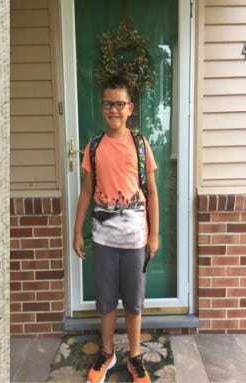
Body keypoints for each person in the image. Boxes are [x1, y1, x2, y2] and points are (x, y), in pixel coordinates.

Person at [72, 74, 159, 383]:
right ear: (101, 107)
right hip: (104, 239)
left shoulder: (139, 145)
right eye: (108, 103)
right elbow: (86, 192)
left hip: (135, 239)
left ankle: (135, 356)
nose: (114, 110)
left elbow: (151, 192)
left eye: (119, 104)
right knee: (106, 300)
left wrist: (154, 234)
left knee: (134, 302)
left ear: (130, 108)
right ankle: (107, 353)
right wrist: (76, 230)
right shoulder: (94, 147)